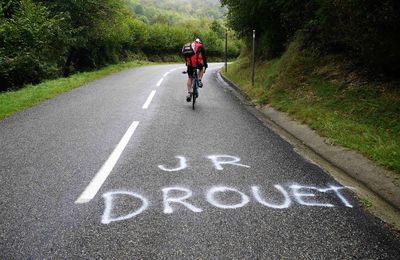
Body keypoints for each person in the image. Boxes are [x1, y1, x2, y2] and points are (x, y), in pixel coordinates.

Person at [183, 36, 208, 102]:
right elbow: (204, 58)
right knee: (201, 68)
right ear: (199, 42)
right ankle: (199, 80)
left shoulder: (189, 46)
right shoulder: (201, 46)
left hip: (190, 65)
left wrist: (187, 63)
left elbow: (186, 55)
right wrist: (205, 65)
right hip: (198, 64)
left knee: (190, 77)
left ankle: (189, 93)